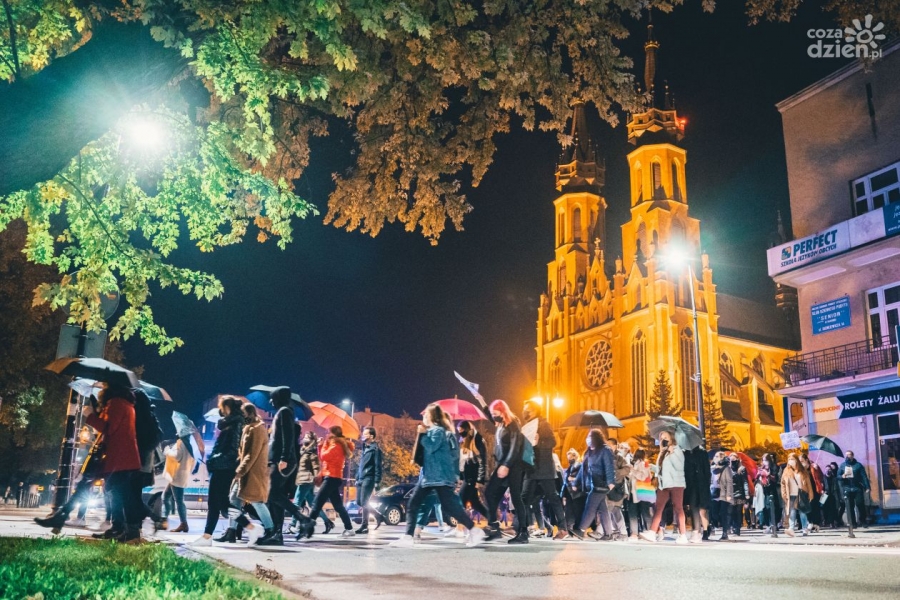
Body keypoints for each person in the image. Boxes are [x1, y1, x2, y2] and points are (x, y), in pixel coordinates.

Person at [390, 403, 485, 548]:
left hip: (438, 476)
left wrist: (422, 434)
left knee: (445, 506)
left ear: (432, 416)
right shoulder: (436, 431)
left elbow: (431, 446)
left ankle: (473, 530)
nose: (424, 417)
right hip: (432, 476)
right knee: (418, 503)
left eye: (426, 415)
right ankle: (408, 536)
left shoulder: (438, 431)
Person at [83, 385, 143, 542]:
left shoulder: (116, 403)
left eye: (104, 385)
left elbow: (109, 428)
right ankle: (120, 528)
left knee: (119, 494)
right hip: (122, 457)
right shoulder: (125, 403)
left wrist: (90, 416)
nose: (101, 387)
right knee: (115, 492)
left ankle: (129, 531)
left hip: (119, 457)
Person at [190, 396, 243, 547]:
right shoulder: (229, 423)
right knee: (217, 503)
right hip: (222, 466)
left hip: (224, 467)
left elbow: (232, 448)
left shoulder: (235, 423)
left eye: (221, 407)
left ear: (227, 407)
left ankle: (250, 526)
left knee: (218, 503)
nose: (220, 410)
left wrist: (214, 459)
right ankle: (207, 536)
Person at [221, 404, 274, 545]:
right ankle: (231, 531)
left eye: (243, 413)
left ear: (249, 413)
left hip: (253, 473)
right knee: (234, 500)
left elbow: (251, 454)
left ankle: (270, 530)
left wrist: (240, 471)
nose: (241, 416)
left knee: (257, 502)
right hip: (245, 472)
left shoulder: (258, 429)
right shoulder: (248, 428)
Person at [264, 387, 310, 544]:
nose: (271, 401)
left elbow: (288, 436)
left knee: (272, 494)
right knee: (274, 496)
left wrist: (284, 458)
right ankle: (277, 534)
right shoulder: (284, 412)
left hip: (281, 460)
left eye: (273, 398)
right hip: (277, 459)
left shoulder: (284, 412)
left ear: (279, 398)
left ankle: (303, 519)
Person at [483, 399, 529, 543]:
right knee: (490, 493)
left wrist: (506, 465)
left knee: (516, 498)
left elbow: (515, 446)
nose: (493, 416)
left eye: (495, 413)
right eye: (492, 413)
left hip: (513, 466)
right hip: (502, 464)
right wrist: (480, 399)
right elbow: (489, 415)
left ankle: (523, 532)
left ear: (503, 411)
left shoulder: (513, 423)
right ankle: (494, 527)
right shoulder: (501, 424)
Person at [521, 401, 568, 540]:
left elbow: (553, 442)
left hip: (544, 468)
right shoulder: (528, 426)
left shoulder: (543, 424)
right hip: (532, 468)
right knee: (524, 498)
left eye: (528, 409)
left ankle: (563, 528)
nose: (525, 412)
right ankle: (519, 527)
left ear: (535, 410)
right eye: (524, 409)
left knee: (552, 498)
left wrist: (539, 442)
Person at [305, 426, 355, 538]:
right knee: (338, 506)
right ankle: (349, 528)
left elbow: (324, 456)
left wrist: (322, 445)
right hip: (332, 477)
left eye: (328, 432)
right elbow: (323, 458)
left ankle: (307, 529)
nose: (326, 434)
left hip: (332, 477)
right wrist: (322, 445)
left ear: (333, 434)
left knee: (317, 502)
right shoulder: (335, 444)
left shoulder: (336, 445)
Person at [640, 430, 688, 544]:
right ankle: (652, 532)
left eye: (666, 438)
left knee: (678, 508)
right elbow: (662, 470)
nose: (663, 440)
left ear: (671, 438)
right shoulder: (663, 452)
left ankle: (683, 535)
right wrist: (652, 466)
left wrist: (672, 453)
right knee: (658, 507)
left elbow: (679, 466)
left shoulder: (677, 450)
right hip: (664, 484)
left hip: (676, 483)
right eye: (661, 438)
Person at [571, 429, 615, 540]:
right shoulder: (588, 452)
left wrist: (610, 481)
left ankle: (581, 530)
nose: (588, 439)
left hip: (601, 483)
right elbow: (583, 469)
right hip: (592, 483)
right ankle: (608, 534)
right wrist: (576, 482)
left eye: (590, 436)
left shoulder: (605, 450)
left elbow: (609, 466)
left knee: (590, 506)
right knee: (602, 509)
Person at [290, 432, 332, 534]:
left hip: (306, 480)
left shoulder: (312, 452)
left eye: (307, 437)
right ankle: (328, 522)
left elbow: (316, 468)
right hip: (303, 479)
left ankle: (292, 525)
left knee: (296, 502)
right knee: (313, 504)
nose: (304, 438)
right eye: (304, 436)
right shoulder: (304, 451)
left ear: (311, 440)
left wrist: (317, 480)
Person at [162, 434, 196, 533]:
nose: (176, 433)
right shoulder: (189, 444)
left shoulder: (181, 443)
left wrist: (167, 450)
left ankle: (183, 523)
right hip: (181, 475)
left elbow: (177, 456)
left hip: (177, 475)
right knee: (166, 496)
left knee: (179, 500)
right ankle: (164, 519)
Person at [458, 421, 489, 522]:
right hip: (468, 476)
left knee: (461, 498)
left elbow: (482, 460)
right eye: (459, 431)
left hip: (473, 476)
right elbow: (463, 462)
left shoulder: (477, 440)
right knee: (475, 503)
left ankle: (462, 525)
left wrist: (480, 479)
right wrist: (461, 476)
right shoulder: (464, 441)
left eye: (462, 430)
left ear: (467, 429)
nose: (460, 433)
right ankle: (493, 521)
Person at [356, 426, 383, 534]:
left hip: (369, 478)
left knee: (364, 502)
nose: (363, 435)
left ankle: (364, 526)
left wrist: (377, 481)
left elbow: (378, 466)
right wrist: (357, 477)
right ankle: (378, 515)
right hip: (361, 478)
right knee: (359, 502)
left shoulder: (375, 450)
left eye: (365, 434)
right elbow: (361, 465)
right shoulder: (364, 447)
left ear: (371, 436)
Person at [838, 450, 870, 537]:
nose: (847, 456)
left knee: (860, 504)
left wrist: (867, 486)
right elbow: (838, 476)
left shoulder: (858, 465)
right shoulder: (843, 465)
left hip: (857, 487)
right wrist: (842, 476)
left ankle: (863, 520)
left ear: (852, 456)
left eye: (849, 455)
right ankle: (853, 523)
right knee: (850, 506)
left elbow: (864, 476)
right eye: (846, 455)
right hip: (847, 487)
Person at [604, 438, 631, 541]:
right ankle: (620, 533)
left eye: (609, 444)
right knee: (614, 510)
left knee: (610, 509)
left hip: (618, 488)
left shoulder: (619, 457)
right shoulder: (605, 457)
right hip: (607, 487)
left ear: (615, 446)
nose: (607, 446)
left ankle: (605, 532)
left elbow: (627, 469)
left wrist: (615, 473)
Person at [780, 452, 813, 537]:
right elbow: (783, 483)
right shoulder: (786, 471)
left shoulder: (802, 470)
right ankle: (791, 529)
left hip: (801, 494)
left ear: (796, 460)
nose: (790, 461)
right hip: (791, 494)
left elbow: (808, 483)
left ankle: (804, 528)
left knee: (802, 512)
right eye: (789, 459)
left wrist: (810, 493)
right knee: (792, 512)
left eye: (792, 459)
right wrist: (784, 494)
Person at [684, 445, 711, 543]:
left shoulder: (702, 453)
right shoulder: (686, 453)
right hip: (691, 485)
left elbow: (707, 471)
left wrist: (706, 484)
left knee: (702, 509)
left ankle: (704, 530)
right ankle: (697, 531)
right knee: (693, 507)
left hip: (701, 484)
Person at [627, 449, 655, 541]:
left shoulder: (642, 464)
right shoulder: (638, 464)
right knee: (637, 512)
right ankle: (639, 532)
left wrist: (633, 471)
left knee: (641, 513)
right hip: (636, 492)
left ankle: (647, 532)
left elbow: (643, 477)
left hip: (640, 492)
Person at [708, 451, 733, 541]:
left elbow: (729, 482)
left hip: (723, 494)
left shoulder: (726, 468)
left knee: (723, 514)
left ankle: (725, 533)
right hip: (714, 493)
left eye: (717, 456)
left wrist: (729, 494)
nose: (715, 458)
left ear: (722, 458)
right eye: (715, 456)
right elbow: (711, 481)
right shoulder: (712, 468)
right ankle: (716, 525)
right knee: (714, 514)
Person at [561, 448, 585, 535]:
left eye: (570, 457)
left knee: (577, 512)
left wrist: (574, 480)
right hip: (570, 493)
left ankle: (577, 530)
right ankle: (569, 530)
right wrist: (563, 495)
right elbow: (565, 482)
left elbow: (582, 478)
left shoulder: (580, 466)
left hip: (577, 493)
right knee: (568, 512)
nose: (569, 459)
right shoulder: (569, 468)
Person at [800, 453, 824, 532]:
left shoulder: (813, 467)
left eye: (802, 461)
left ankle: (816, 523)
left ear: (806, 460)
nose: (801, 463)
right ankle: (810, 522)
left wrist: (817, 469)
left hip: (814, 489)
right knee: (807, 507)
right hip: (805, 490)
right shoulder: (801, 470)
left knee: (815, 506)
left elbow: (820, 477)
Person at [728, 453, 749, 536]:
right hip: (731, 492)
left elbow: (745, 481)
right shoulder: (728, 469)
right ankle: (733, 526)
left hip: (740, 493)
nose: (733, 461)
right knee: (731, 511)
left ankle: (737, 528)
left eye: (734, 460)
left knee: (738, 511)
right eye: (731, 460)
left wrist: (746, 493)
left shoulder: (742, 469)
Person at [822, 462, 840, 528]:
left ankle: (832, 522)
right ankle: (825, 521)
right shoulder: (822, 478)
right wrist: (822, 490)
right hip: (824, 495)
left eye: (829, 469)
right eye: (826, 469)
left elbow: (837, 488)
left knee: (832, 509)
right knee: (823, 508)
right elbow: (820, 486)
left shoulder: (834, 478)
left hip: (832, 495)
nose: (828, 471)